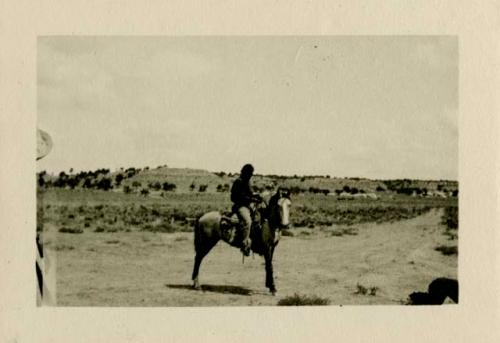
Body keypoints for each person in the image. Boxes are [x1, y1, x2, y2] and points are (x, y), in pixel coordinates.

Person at [230, 164, 260, 256]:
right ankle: (244, 244)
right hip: (240, 206)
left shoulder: (247, 182)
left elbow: (249, 194)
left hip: (247, 205)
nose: (251, 175)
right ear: (245, 172)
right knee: (248, 221)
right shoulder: (238, 182)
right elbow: (235, 197)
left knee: (258, 217)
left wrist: (256, 196)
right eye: (250, 173)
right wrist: (250, 199)